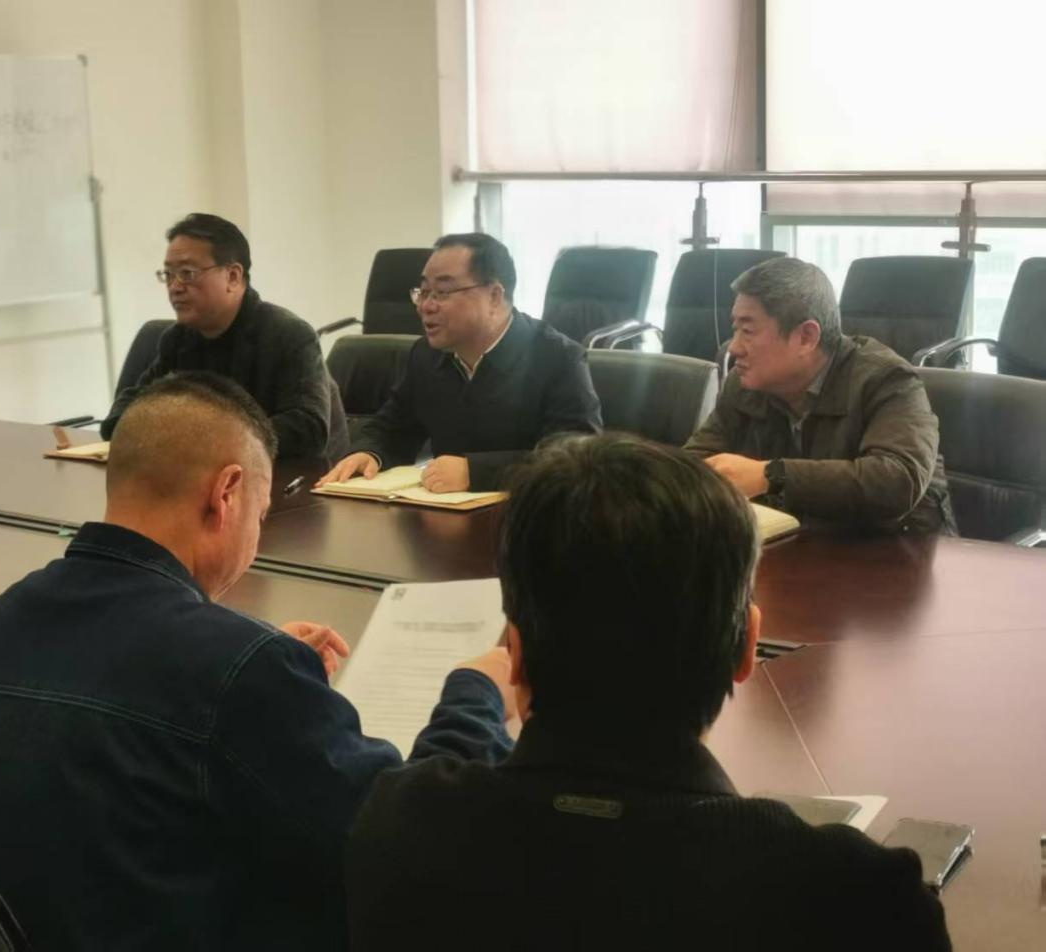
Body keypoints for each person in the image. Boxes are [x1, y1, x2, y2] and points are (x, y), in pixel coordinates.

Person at [0, 371, 514, 952]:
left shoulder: (0, 622)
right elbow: (405, 839)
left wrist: (252, 659)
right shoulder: (235, 671)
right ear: (226, 493)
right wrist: (475, 694)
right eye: (262, 512)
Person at [346, 436, 952, 951]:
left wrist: (473, 696)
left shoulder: (400, 830)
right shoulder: (858, 899)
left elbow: (435, 784)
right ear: (747, 648)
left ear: (517, 655)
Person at [684, 256, 956, 532]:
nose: (734, 348)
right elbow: (694, 463)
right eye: (735, 329)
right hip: (797, 545)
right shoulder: (744, 384)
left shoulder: (887, 380)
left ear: (806, 337)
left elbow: (897, 480)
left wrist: (770, 476)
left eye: (748, 330)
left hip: (898, 549)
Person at [317, 233, 602, 493]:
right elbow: (392, 427)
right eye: (423, 291)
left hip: (526, 519)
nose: (425, 306)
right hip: (443, 519)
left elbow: (573, 457)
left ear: (494, 296)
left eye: (442, 292)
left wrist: (476, 472)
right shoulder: (426, 355)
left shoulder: (558, 357)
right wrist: (369, 453)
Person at [101, 212, 345, 460]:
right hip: (209, 471)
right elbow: (130, 406)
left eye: (187, 273)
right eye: (168, 274)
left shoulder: (288, 334)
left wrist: (205, 439)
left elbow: (308, 429)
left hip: (293, 475)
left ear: (233, 276)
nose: (174, 287)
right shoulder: (178, 339)